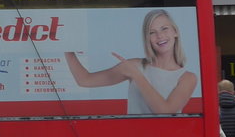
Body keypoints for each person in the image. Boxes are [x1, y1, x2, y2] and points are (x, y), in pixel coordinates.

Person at [65, 9, 198, 114]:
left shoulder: (187, 78)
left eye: (164, 28)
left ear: (175, 32)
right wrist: (67, 48)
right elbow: (84, 80)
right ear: (147, 38)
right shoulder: (135, 65)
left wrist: (136, 75)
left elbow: (165, 112)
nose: (160, 36)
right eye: (152, 32)